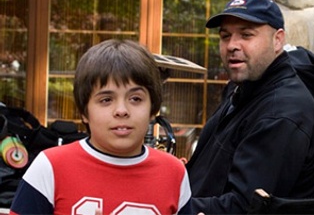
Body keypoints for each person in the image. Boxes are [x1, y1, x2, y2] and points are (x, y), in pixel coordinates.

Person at [185, 0, 314, 214]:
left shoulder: (281, 113)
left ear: (278, 40)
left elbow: (244, 208)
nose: (232, 45)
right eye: (225, 36)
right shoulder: (245, 88)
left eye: (246, 35)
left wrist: (168, 203)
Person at [9, 39, 192, 215]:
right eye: (106, 100)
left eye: (135, 99)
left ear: (153, 109)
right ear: (84, 112)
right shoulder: (49, 167)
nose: (121, 110)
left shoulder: (174, 173)